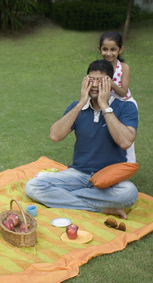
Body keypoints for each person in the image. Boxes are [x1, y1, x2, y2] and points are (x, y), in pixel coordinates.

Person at [25, 60, 139, 219]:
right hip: (77, 174)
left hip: (109, 178)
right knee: (33, 187)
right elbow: (55, 136)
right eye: (91, 79)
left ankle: (65, 196)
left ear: (110, 83)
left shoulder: (126, 107)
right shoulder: (77, 107)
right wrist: (80, 104)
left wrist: (105, 106)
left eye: (100, 81)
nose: (94, 85)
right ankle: (101, 208)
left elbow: (125, 142)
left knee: (129, 193)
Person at [99, 31, 138, 162]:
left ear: (120, 50)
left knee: (125, 137)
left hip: (125, 104)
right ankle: (108, 163)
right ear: (99, 49)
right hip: (107, 104)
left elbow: (122, 92)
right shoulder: (99, 67)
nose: (108, 53)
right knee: (108, 135)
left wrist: (111, 84)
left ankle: (128, 164)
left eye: (113, 49)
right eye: (105, 49)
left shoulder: (124, 67)